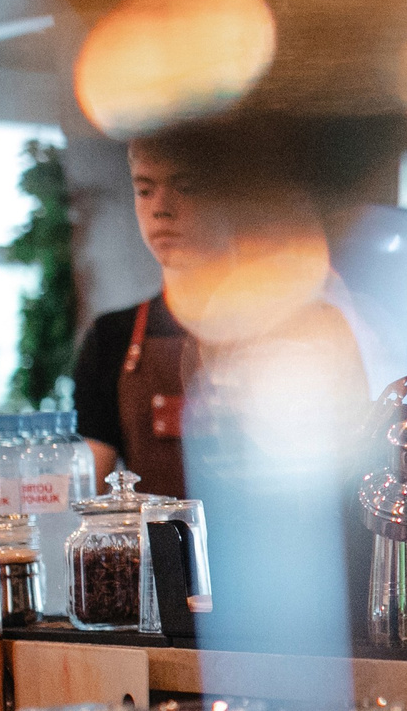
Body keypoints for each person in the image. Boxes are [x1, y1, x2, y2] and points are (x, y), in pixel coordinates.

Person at [73, 128, 377, 499]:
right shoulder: (112, 338)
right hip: (157, 540)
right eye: (145, 190)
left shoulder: (313, 328)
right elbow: (87, 494)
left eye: (186, 186)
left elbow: (353, 480)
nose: (160, 208)